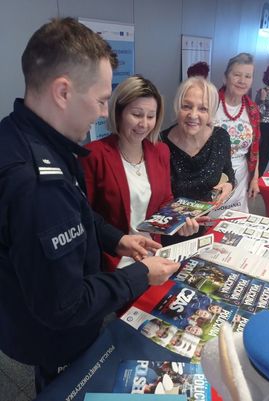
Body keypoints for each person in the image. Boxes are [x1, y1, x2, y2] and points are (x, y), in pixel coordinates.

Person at [0, 18, 180, 391]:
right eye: (100, 101)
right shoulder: (37, 184)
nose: (103, 113)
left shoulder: (25, 134)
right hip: (53, 335)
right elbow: (66, 306)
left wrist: (117, 240)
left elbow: (82, 214)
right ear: (63, 92)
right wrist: (141, 274)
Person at [80, 75, 200, 270]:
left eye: (150, 116)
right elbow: (85, 216)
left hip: (154, 257)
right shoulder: (94, 155)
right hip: (113, 263)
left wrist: (181, 222)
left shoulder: (160, 151)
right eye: (136, 114)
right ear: (118, 113)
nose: (144, 124)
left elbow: (165, 202)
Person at [161, 76, 235, 245]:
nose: (193, 115)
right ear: (177, 107)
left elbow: (229, 172)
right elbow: (154, 198)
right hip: (167, 234)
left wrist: (230, 184)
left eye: (202, 109)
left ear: (211, 113)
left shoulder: (220, 138)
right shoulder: (160, 144)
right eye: (186, 106)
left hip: (204, 231)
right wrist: (176, 222)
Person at [215, 52, 260, 213]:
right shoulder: (211, 104)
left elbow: (254, 149)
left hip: (241, 176)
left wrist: (255, 179)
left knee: (234, 222)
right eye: (237, 75)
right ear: (225, 78)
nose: (242, 81)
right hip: (213, 175)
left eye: (248, 76)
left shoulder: (253, 110)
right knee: (210, 222)